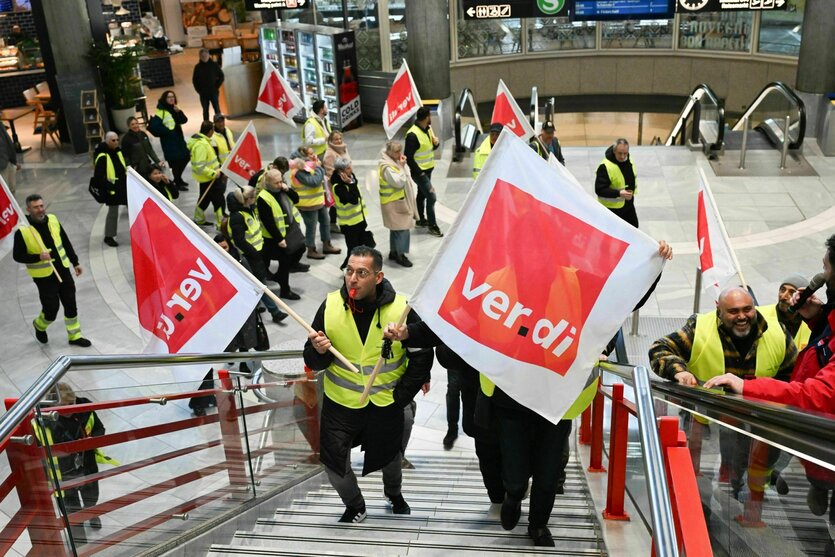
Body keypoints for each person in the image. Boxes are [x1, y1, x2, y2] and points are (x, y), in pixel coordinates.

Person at [705, 236, 835, 526]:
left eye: (826, 268)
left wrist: (748, 386)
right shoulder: (825, 317)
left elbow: (821, 394)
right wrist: (820, 318)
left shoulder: (776, 336)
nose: (822, 276)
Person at [303, 246, 433, 523]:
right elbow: (312, 360)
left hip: (387, 402)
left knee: (391, 457)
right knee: (334, 463)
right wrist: (320, 351)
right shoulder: (329, 306)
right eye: (349, 271)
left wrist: (401, 396)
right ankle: (354, 505)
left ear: (377, 276)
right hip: (341, 404)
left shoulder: (401, 308)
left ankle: (394, 494)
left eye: (362, 273)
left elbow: (422, 355)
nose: (352, 278)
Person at [650, 286, 797, 497]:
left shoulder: (777, 332)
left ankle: (748, 497)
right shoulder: (699, 327)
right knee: (707, 470)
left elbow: (794, 376)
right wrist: (679, 372)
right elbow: (660, 349)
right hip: (706, 422)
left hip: (754, 420)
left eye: (747, 309)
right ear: (719, 309)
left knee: (745, 467)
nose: (742, 316)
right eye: (733, 311)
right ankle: (698, 498)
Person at [190, 235, 262, 416]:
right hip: (222, 312)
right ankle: (201, 399)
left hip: (241, 310)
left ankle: (243, 363)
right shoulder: (206, 267)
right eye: (219, 247)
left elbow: (251, 281)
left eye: (226, 247)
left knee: (245, 338)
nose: (224, 251)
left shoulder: (239, 260)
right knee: (229, 340)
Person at [32, 383, 115, 533]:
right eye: (63, 406)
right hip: (63, 473)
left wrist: (90, 441)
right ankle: (79, 538)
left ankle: (91, 513)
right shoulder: (43, 422)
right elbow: (39, 454)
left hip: (86, 464)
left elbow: (99, 429)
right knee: (71, 508)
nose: (69, 409)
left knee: (91, 496)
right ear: (53, 404)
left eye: (71, 403)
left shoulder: (85, 411)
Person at [12, 194, 92, 347]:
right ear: (28, 209)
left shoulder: (53, 220)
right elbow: (18, 256)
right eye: (36, 207)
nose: (40, 209)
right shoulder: (23, 231)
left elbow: (65, 241)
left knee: (70, 303)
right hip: (44, 276)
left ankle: (75, 336)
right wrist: (38, 257)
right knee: (51, 308)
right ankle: (39, 325)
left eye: (42, 206)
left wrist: (75, 262)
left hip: (62, 270)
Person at [225, 185, 287, 324]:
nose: (255, 199)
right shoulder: (237, 217)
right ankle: (275, 312)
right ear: (246, 200)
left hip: (256, 254)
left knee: (256, 284)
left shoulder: (248, 210)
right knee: (260, 285)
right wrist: (255, 254)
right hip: (249, 257)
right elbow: (240, 241)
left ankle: (257, 306)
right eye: (253, 197)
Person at [257, 167, 304, 301]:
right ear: (269, 183)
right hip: (273, 238)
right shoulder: (263, 198)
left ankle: (279, 277)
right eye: (276, 183)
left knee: (299, 250)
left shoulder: (283, 190)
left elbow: (296, 199)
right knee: (284, 261)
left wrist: (287, 189)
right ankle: (285, 289)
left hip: (289, 232)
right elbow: (268, 222)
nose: (280, 184)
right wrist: (279, 239)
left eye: (281, 181)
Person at [290, 146, 340, 260]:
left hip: (317, 201)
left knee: (325, 221)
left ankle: (327, 244)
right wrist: (319, 168)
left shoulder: (310, 165)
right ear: (304, 156)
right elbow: (314, 181)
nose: (314, 156)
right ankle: (311, 249)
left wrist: (317, 167)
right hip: (307, 204)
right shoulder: (298, 169)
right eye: (311, 154)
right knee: (311, 227)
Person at [404, 106, 443, 237]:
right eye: (430, 116)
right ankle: (432, 225)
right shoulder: (412, 135)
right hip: (420, 172)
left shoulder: (428, 129)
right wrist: (419, 173)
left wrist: (436, 143)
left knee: (421, 195)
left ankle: (420, 219)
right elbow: (408, 157)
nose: (431, 118)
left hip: (428, 169)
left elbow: (430, 146)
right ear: (427, 117)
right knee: (431, 197)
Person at [378, 140, 417, 268]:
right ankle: (401, 255)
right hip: (392, 202)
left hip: (397, 200)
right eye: (396, 151)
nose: (399, 153)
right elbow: (399, 182)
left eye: (400, 150)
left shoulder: (394, 161)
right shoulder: (386, 166)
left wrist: (402, 165)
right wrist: (401, 166)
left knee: (396, 228)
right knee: (403, 228)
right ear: (389, 152)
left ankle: (394, 251)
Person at [330, 158, 368, 270]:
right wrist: (351, 184)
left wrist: (351, 182)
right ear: (341, 171)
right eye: (348, 168)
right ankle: (348, 268)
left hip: (359, 219)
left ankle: (357, 266)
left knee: (361, 246)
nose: (351, 169)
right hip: (349, 224)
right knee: (353, 249)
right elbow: (353, 199)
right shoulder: (338, 187)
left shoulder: (352, 177)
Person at [759, 274, 813, 351]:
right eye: (782, 290)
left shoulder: (812, 325)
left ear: (803, 298)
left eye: (792, 292)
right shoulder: (760, 314)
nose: (783, 296)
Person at [188, 120, 226, 227]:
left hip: (207, 178)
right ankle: (221, 224)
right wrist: (214, 174)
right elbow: (200, 166)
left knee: (205, 199)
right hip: (210, 177)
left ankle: (199, 218)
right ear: (210, 131)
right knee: (219, 200)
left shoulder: (202, 141)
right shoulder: (201, 145)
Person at [150, 90, 189, 191]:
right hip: (169, 142)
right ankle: (177, 182)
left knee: (186, 157)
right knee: (176, 162)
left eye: (173, 97)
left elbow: (184, 120)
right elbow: (154, 127)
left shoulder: (174, 108)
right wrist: (167, 132)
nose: (172, 99)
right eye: (169, 97)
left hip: (179, 140)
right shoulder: (161, 111)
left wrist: (179, 111)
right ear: (164, 99)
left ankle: (178, 179)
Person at [93, 132, 127, 247]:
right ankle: (109, 236)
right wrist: (111, 187)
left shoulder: (118, 152)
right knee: (113, 213)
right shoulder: (102, 156)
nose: (116, 142)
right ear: (107, 141)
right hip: (112, 190)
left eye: (117, 140)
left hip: (123, 186)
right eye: (113, 140)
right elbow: (98, 177)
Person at [595, 138, 637, 228]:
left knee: (634, 229)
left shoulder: (629, 159)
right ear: (614, 151)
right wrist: (619, 193)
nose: (622, 156)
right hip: (612, 210)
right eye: (620, 153)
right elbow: (599, 189)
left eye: (625, 153)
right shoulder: (605, 166)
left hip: (628, 205)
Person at [323, 130, 350, 234]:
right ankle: (333, 224)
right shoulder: (330, 154)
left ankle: (333, 223)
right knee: (338, 204)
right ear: (331, 140)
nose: (338, 141)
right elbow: (330, 171)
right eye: (336, 139)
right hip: (337, 183)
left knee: (338, 204)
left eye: (340, 138)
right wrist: (341, 180)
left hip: (346, 179)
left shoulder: (343, 149)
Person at [192, 48, 224, 122]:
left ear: (208, 55)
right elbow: (194, 80)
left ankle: (219, 123)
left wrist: (217, 86)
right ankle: (206, 124)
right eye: (202, 56)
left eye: (205, 56)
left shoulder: (214, 65)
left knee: (217, 108)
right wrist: (199, 90)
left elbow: (221, 76)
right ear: (200, 57)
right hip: (203, 93)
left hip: (213, 91)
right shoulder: (197, 67)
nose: (204, 57)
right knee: (205, 110)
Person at [0, 121, 19, 193]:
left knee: (11, 191)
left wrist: (14, 161)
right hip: (2, 166)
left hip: (8, 162)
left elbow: (8, 142)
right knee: (4, 193)